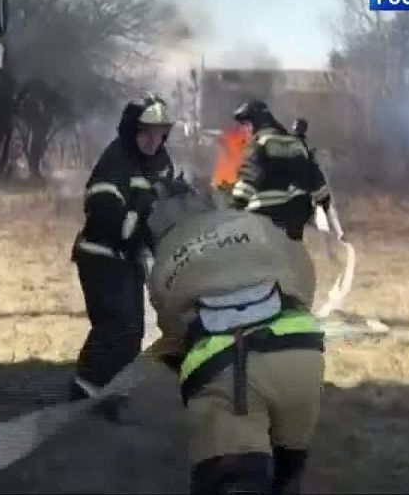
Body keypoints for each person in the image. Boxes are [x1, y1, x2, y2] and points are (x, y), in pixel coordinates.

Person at [144, 186, 326, 495]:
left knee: (235, 478)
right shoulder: (255, 226)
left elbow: (175, 332)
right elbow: (303, 273)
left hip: (227, 372)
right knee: (287, 471)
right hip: (300, 354)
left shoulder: (165, 262)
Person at [68, 92, 176, 412]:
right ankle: (84, 392)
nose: (154, 140)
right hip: (100, 254)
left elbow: (163, 210)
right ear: (133, 131)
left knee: (133, 332)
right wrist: (135, 218)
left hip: (129, 259)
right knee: (114, 325)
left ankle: (111, 393)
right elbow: (101, 207)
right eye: (147, 133)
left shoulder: (161, 162)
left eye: (160, 133)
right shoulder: (116, 160)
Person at [230, 101, 331, 241]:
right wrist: (323, 201)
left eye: (247, 126)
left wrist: (236, 205)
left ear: (255, 123)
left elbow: (250, 175)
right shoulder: (295, 142)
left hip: (265, 213)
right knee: (291, 253)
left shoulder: (260, 142)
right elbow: (314, 176)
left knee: (266, 257)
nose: (245, 131)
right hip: (296, 215)